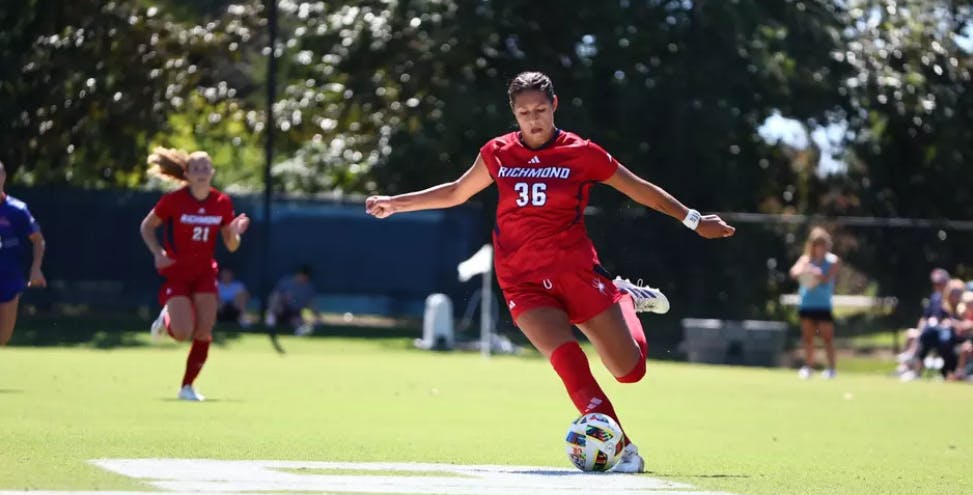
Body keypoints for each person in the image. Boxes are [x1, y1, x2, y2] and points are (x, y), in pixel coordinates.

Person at [365, 71, 735, 473]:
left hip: (577, 275)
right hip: (522, 282)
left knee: (630, 372)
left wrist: (693, 219)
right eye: (524, 112)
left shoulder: (582, 153)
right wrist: (395, 203)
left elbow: (638, 188)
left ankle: (625, 298)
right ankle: (623, 449)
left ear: (554, 105)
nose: (533, 119)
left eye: (540, 109)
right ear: (513, 113)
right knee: (568, 360)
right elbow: (456, 191)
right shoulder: (498, 152)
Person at [139, 148, 250, 401]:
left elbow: (231, 245)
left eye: (205, 167)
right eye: (196, 168)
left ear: (212, 172)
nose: (201, 172)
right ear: (187, 174)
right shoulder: (173, 201)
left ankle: (187, 386)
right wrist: (157, 252)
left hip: (204, 274)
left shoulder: (221, 202)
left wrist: (234, 233)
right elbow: (147, 227)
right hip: (177, 273)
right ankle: (166, 318)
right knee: (181, 333)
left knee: (204, 331)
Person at [0, 159, 47, 346]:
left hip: (9, 277)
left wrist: (36, 268)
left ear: (3, 177)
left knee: (3, 338)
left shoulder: (17, 210)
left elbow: (38, 240)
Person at [789, 227, 841, 379]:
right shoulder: (805, 259)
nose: (820, 247)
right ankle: (808, 367)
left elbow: (826, 278)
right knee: (808, 338)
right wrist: (805, 270)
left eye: (823, 244)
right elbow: (793, 273)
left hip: (823, 305)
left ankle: (831, 369)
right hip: (807, 304)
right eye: (817, 244)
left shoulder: (833, 260)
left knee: (827, 338)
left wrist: (816, 273)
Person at [905, 279, 970, 380]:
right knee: (927, 335)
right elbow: (937, 321)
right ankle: (915, 368)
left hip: (960, 338)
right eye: (953, 292)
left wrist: (954, 324)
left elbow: (968, 324)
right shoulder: (943, 307)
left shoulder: (965, 307)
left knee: (944, 340)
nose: (955, 295)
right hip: (942, 338)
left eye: (957, 293)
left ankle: (948, 371)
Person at [267, 265, 317, 336]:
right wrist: (284, 298)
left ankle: (299, 330)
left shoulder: (308, 287)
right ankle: (271, 321)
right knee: (276, 297)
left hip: (294, 313)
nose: (302, 278)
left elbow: (311, 303)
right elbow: (276, 295)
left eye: (305, 276)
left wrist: (316, 315)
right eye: (301, 275)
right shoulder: (286, 282)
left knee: (301, 323)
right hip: (281, 309)